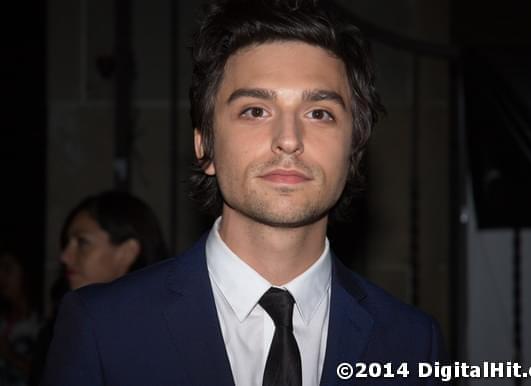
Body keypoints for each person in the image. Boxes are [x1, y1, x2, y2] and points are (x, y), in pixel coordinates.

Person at [42, 1, 445, 385]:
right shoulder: (103, 328)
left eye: (319, 113)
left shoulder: (412, 343)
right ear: (205, 146)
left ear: (352, 150)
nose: (289, 140)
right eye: (255, 110)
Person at [28, 190, 169, 385]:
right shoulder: (59, 330)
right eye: (67, 243)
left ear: (127, 253)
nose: (65, 256)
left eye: (82, 242)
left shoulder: (168, 331)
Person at [0, 246, 40, 386]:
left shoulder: (41, 324)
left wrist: (9, 354)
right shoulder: (3, 321)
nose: (1, 276)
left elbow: (45, 373)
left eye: (7, 268)